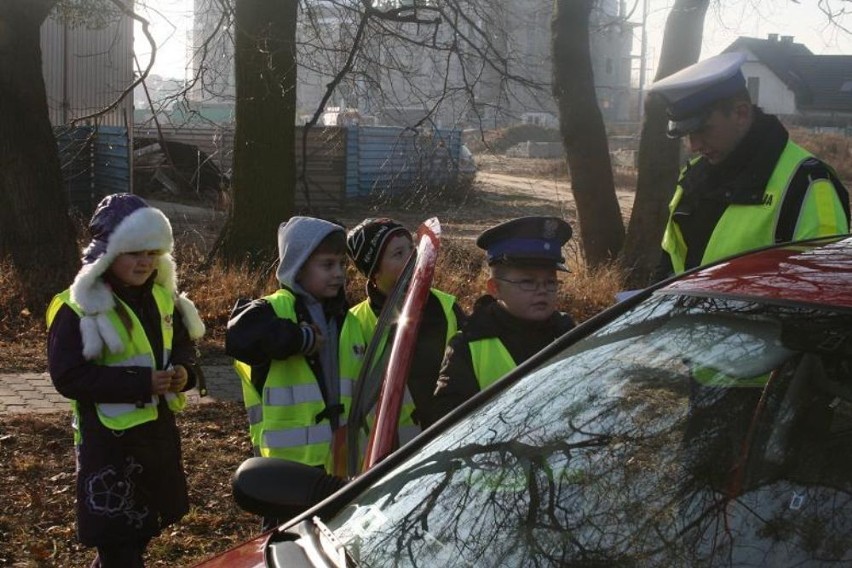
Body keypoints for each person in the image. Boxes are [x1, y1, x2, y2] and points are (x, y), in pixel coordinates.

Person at [46, 193, 206, 568]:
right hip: (109, 445)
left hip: (155, 437)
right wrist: (140, 383)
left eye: (152, 253)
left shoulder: (164, 298)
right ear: (106, 254)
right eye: (134, 252)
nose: (145, 262)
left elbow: (182, 345)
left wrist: (185, 373)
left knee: (140, 529)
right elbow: (68, 376)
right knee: (117, 539)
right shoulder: (76, 309)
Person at [649, 51, 850, 281]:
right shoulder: (694, 176)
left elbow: (823, 291)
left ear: (741, 113)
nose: (694, 145)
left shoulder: (808, 184)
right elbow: (668, 264)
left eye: (703, 130)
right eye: (688, 134)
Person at [226, 216, 350, 472]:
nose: (338, 273)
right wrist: (299, 338)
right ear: (298, 267)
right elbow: (239, 336)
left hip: (341, 457)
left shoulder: (344, 316)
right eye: (327, 265)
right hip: (287, 464)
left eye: (342, 264)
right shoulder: (273, 309)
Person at [432, 216, 575, 419]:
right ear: (495, 288)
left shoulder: (570, 333)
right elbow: (448, 424)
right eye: (528, 282)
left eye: (550, 282)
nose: (542, 291)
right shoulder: (468, 346)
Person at [341, 218, 466, 442]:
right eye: (398, 254)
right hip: (389, 457)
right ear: (375, 273)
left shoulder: (446, 307)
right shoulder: (355, 322)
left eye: (412, 248)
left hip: (451, 439)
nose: (412, 258)